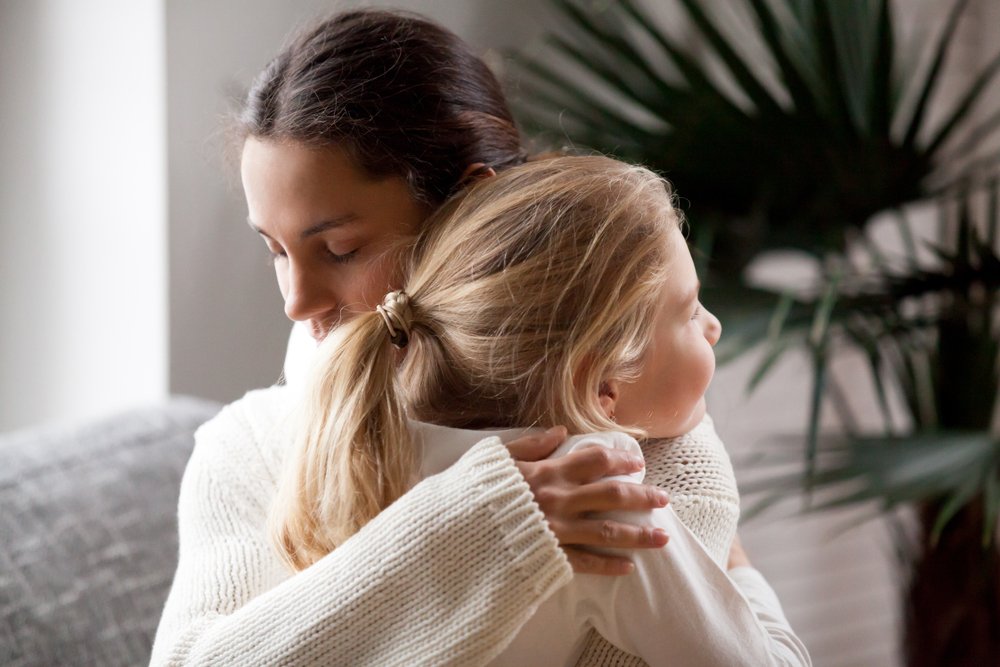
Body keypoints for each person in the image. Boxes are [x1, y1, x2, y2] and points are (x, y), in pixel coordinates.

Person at [151, 9, 804, 666]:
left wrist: (724, 547)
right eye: (275, 251)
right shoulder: (248, 450)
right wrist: (476, 529)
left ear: (468, 205)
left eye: (341, 249)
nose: (297, 303)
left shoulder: (632, 420)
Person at [271, 155, 809, 666]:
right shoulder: (598, 493)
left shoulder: (370, 437)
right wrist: (740, 568)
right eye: (690, 312)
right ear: (603, 387)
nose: (713, 326)